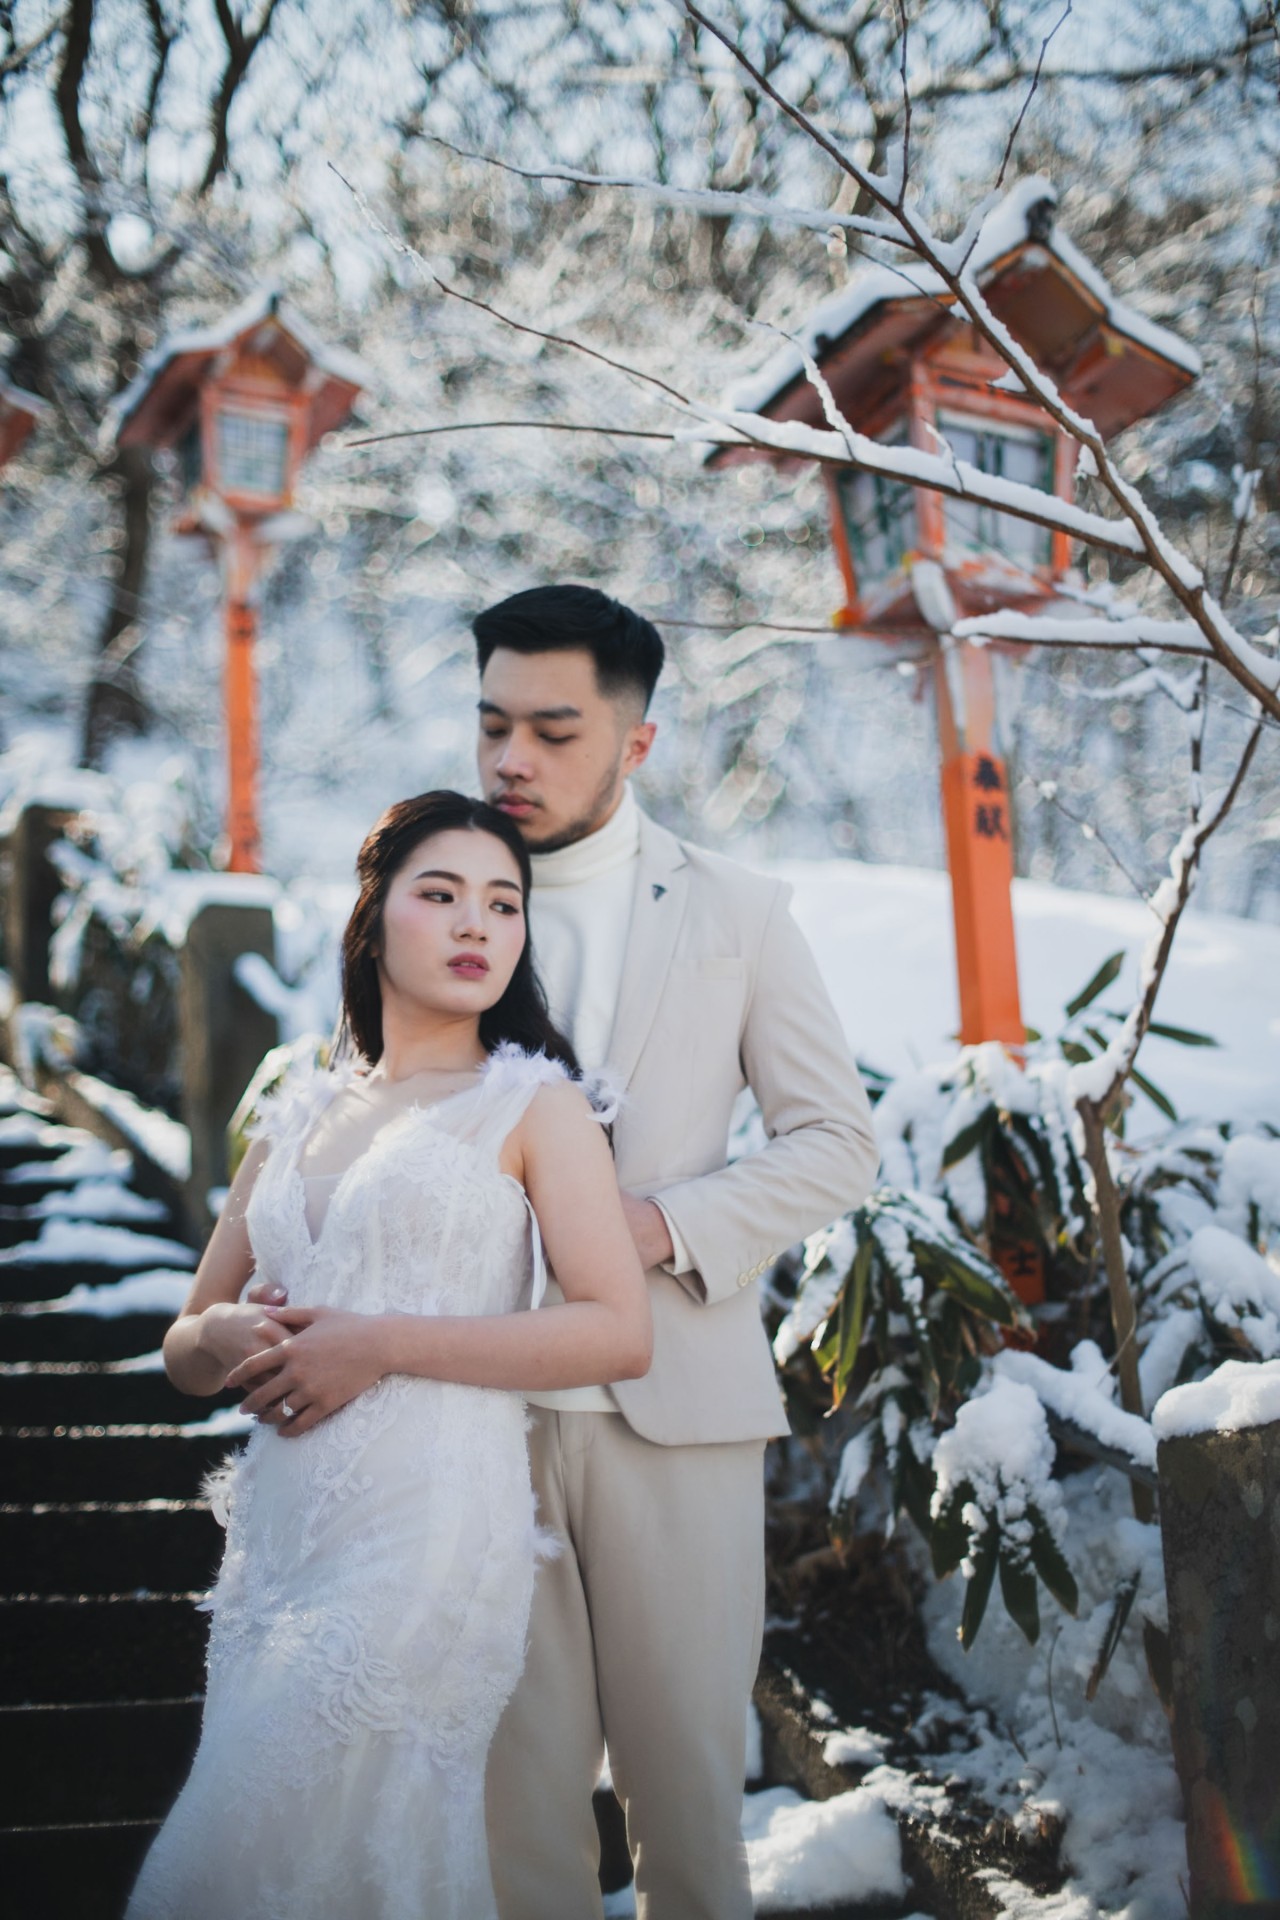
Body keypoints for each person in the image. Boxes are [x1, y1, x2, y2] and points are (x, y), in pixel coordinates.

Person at [125, 790, 651, 1920]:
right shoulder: (299, 1114)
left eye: (503, 904)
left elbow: (619, 1329)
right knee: (346, 1867)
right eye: (442, 894)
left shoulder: (535, 1107)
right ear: (372, 919)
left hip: (428, 1537)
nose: (477, 925)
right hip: (279, 1545)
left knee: (221, 1858)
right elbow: (183, 1343)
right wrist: (220, 1336)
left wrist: (383, 1344)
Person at [474, 585, 881, 1920]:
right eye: (491, 726)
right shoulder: (430, 894)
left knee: (690, 1806)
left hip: (678, 1406)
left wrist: (652, 1228)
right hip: (473, 1415)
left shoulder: (739, 911)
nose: (512, 760)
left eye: (552, 732)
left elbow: (836, 1142)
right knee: (510, 1814)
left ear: (635, 742)